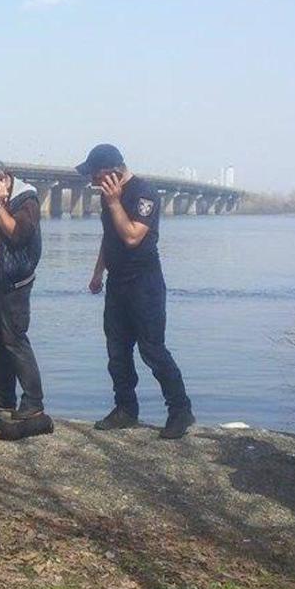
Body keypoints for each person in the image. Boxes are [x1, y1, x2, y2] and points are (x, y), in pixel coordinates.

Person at [79, 144, 194, 438]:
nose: (92, 180)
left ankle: (180, 411)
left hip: (144, 284)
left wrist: (115, 202)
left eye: (95, 174)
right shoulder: (108, 196)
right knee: (117, 351)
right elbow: (110, 236)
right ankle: (126, 409)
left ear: (112, 171)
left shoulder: (144, 193)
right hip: (117, 283)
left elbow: (132, 236)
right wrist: (98, 272)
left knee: (152, 350)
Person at [0, 157, 45, 420]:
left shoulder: (27, 199)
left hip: (15, 281)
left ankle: (33, 401)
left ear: (1, 179)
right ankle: (2, 396)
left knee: (14, 339)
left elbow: (16, 234)